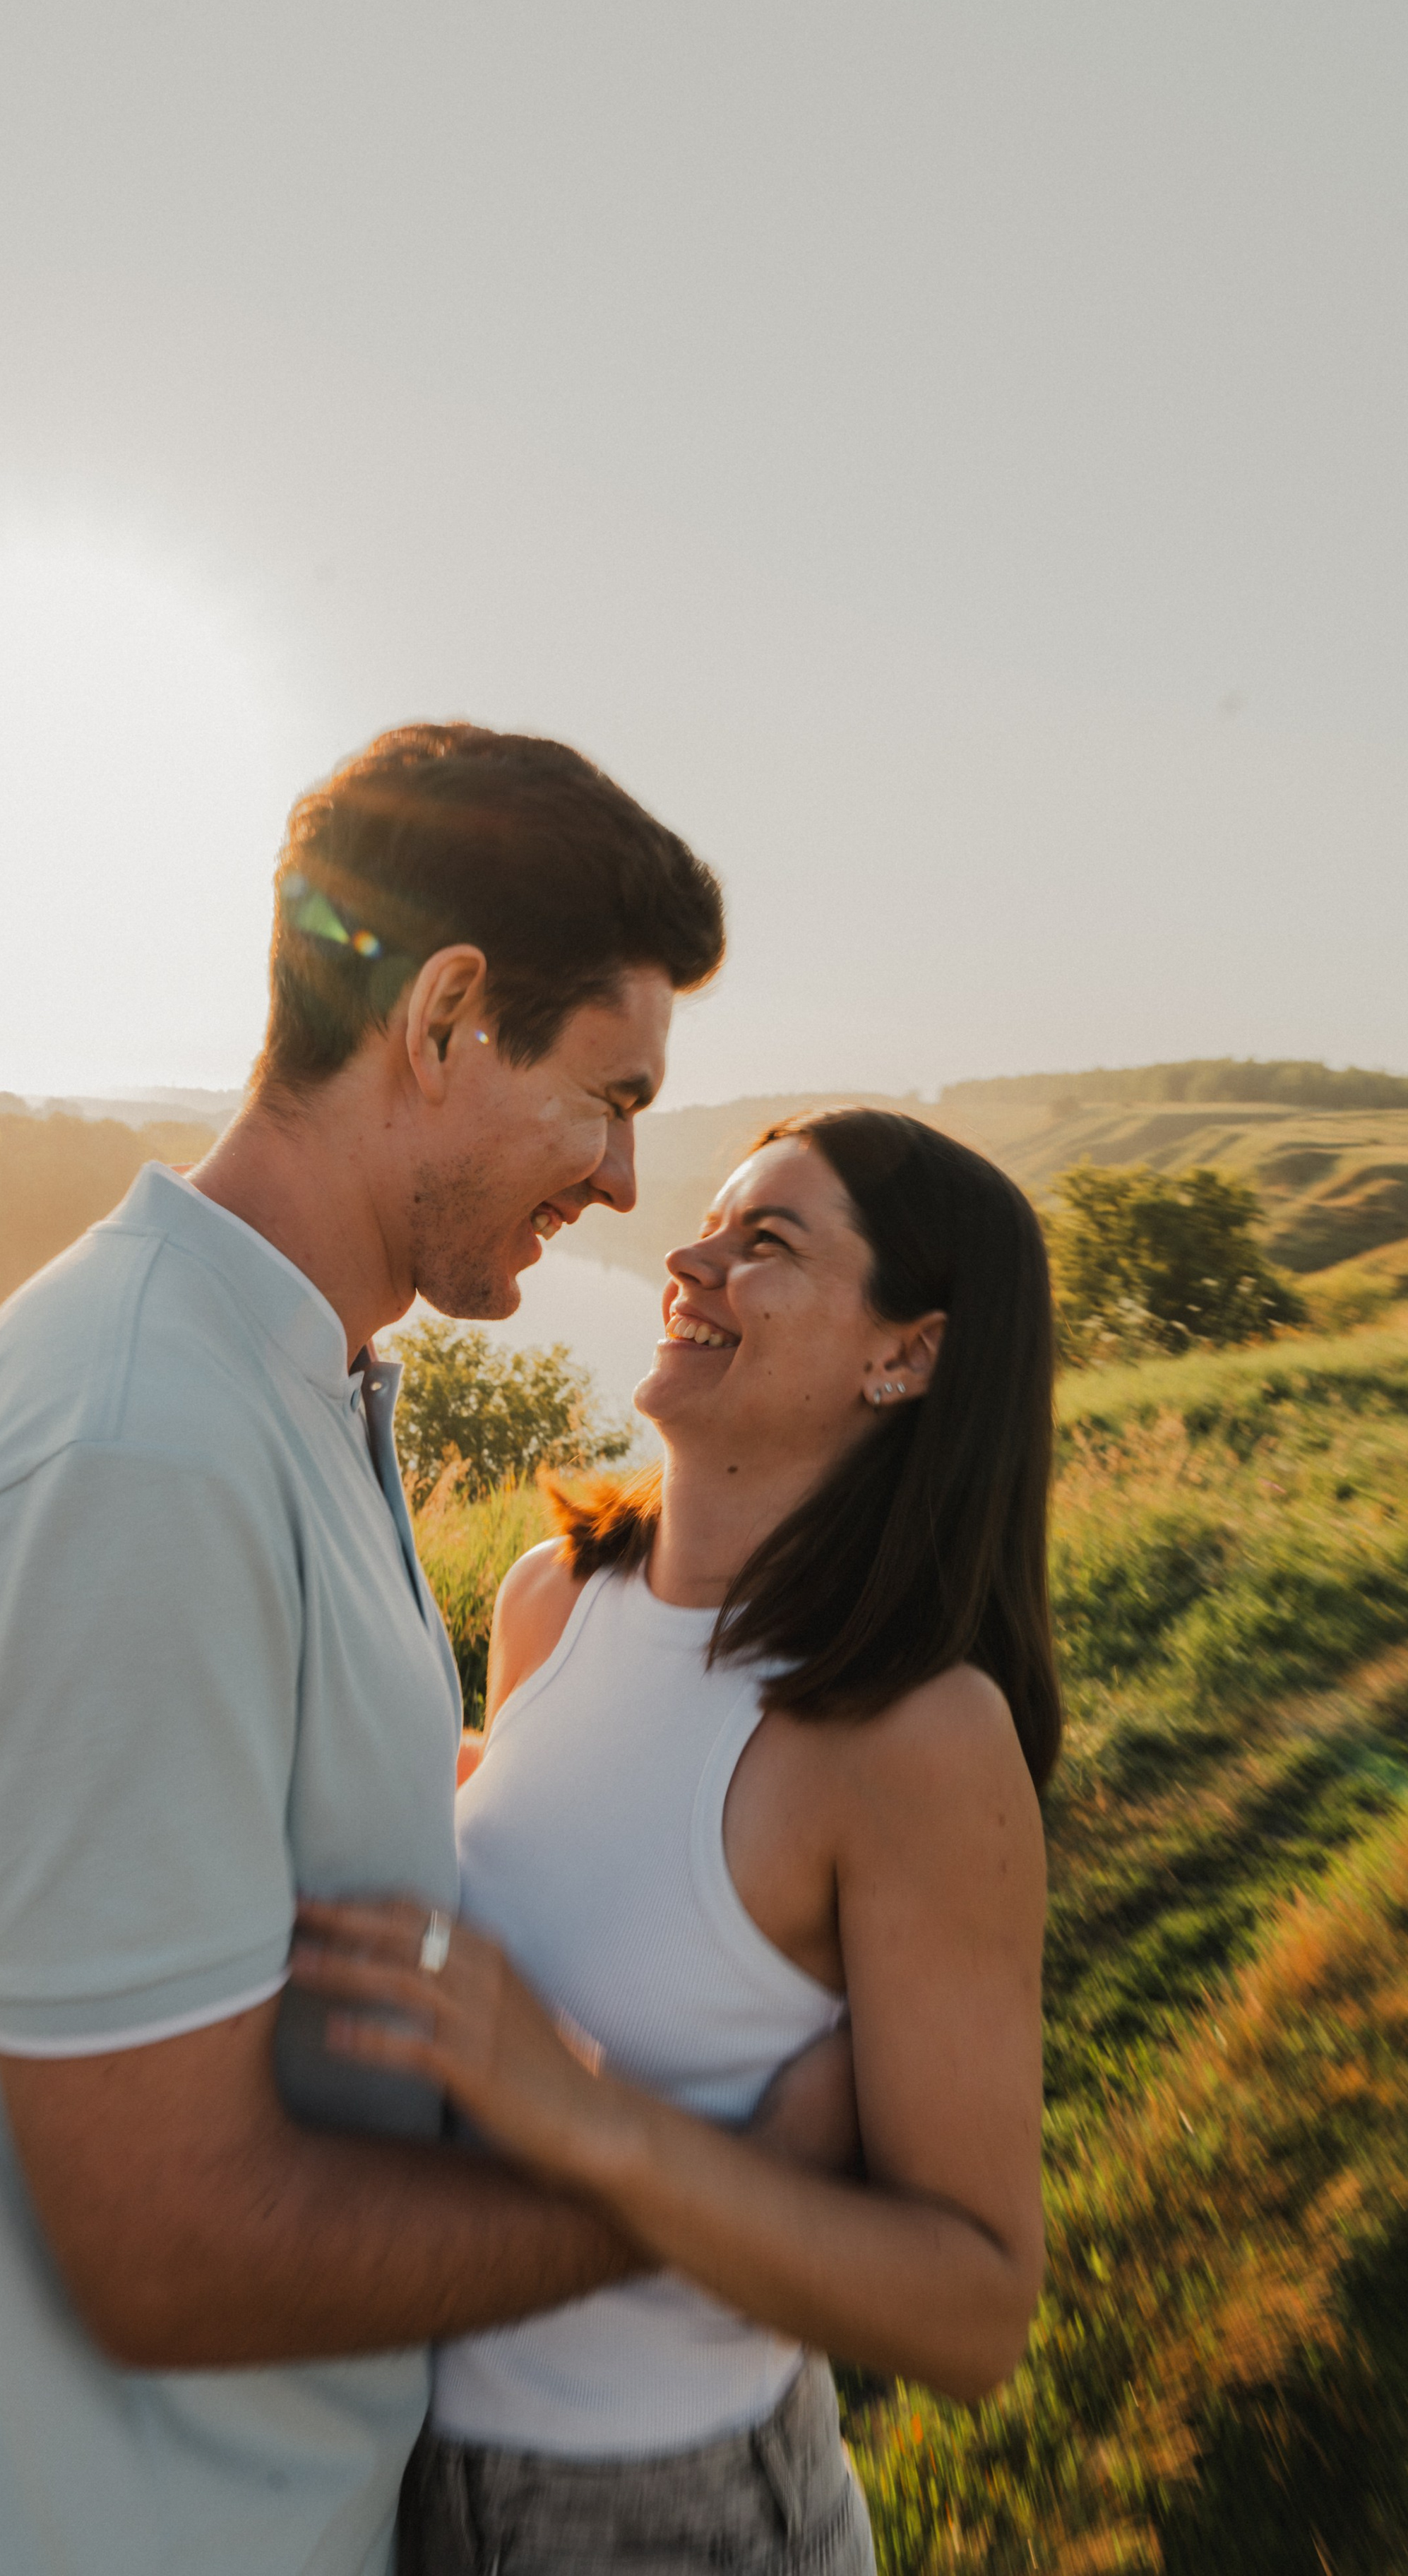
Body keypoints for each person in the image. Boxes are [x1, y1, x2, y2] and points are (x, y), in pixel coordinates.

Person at [0, 722, 794, 2576]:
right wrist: (696, 2199)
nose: (619, 1183)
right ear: (443, 1019)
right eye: (609, 1094)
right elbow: (173, 2255)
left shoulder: (292, 1385)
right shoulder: (140, 1452)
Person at [290, 1104, 1060, 2576]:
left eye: (763, 1241)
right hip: (392, 2473)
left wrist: (588, 2119)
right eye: (708, 1221)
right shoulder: (546, 1602)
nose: (687, 1259)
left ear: (907, 1353)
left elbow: (971, 2315)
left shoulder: (911, 1740)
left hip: (665, 2517)